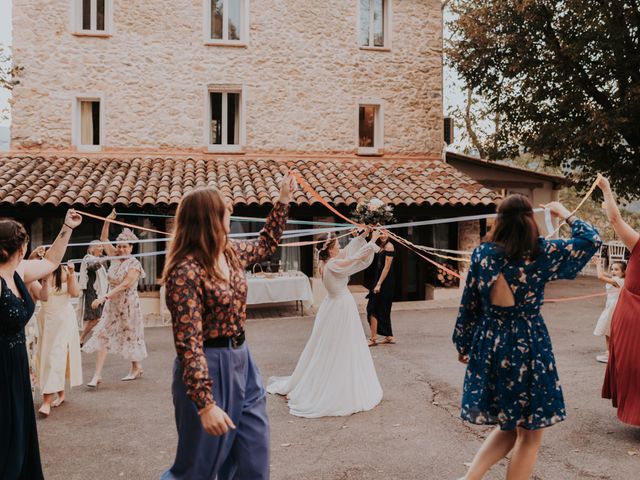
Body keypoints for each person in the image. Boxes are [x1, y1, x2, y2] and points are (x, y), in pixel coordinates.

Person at [452, 194, 600, 480]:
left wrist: (464, 343)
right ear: (529, 220)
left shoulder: (483, 254)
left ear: (500, 221)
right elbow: (591, 240)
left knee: (508, 426)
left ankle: (468, 479)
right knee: (530, 434)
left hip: (490, 341)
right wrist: (564, 213)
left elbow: (469, 302)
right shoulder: (541, 253)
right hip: (527, 343)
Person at [161, 173, 293, 480]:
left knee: (253, 462)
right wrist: (205, 405)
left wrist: (283, 200)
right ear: (210, 218)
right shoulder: (185, 271)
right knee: (197, 469)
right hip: (208, 366)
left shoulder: (230, 252)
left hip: (243, 363)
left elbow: (266, 244)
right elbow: (189, 343)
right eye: (225, 208)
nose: (230, 211)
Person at [0, 210, 82, 480]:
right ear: (21, 247)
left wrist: (67, 228)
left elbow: (51, 261)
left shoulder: (20, 270)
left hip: (16, 362)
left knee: (19, 428)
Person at [268, 228, 383, 417]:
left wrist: (362, 236)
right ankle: (331, 385)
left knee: (328, 346)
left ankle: (325, 380)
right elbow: (354, 259)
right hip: (339, 308)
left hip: (332, 306)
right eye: (337, 245)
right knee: (339, 347)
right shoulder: (333, 265)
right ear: (330, 249)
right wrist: (372, 242)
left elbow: (347, 253)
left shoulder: (327, 263)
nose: (340, 247)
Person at [83, 216, 147, 386]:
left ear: (131, 248)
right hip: (112, 305)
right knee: (103, 335)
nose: (121, 249)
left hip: (128, 305)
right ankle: (96, 376)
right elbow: (104, 239)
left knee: (130, 336)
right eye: (119, 246)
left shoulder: (134, 264)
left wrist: (104, 297)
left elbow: (126, 284)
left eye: (124, 246)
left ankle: (136, 367)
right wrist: (107, 221)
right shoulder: (113, 256)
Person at [598, 176, 640, 426]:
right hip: (630, 309)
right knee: (631, 363)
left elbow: (615, 219)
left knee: (632, 363)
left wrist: (606, 188)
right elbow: (616, 220)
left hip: (632, 312)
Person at [35, 260, 83, 417]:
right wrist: (45, 279)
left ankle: (46, 401)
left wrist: (72, 274)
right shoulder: (42, 272)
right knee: (47, 356)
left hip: (64, 319)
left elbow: (75, 293)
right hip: (47, 320)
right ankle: (60, 393)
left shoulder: (65, 270)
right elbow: (44, 297)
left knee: (56, 355)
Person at [592, 257, 626, 363]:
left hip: (614, 307)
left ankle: (611, 354)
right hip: (611, 306)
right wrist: (602, 267)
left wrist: (598, 264)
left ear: (624, 272)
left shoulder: (619, 281)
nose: (613, 271)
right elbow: (606, 275)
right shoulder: (618, 279)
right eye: (612, 269)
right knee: (608, 330)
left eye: (616, 269)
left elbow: (600, 276)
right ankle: (610, 351)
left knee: (609, 330)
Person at [366, 230, 395, 346]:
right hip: (380, 281)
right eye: (380, 234)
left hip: (384, 282)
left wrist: (379, 284)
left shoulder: (389, 246)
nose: (382, 236)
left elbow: (386, 268)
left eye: (385, 233)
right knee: (383, 308)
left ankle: (373, 339)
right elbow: (372, 247)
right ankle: (389, 336)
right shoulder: (382, 246)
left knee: (372, 308)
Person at [78, 240, 108, 345]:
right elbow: (92, 267)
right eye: (99, 246)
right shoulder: (88, 258)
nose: (102, 248)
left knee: (100, 317)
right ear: (93, 249)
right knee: (96, 318)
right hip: (93, 292)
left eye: (102, 246)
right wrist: (100, 261)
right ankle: (80, 338)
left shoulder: (99, 260)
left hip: (101, 292)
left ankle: (100, 338)